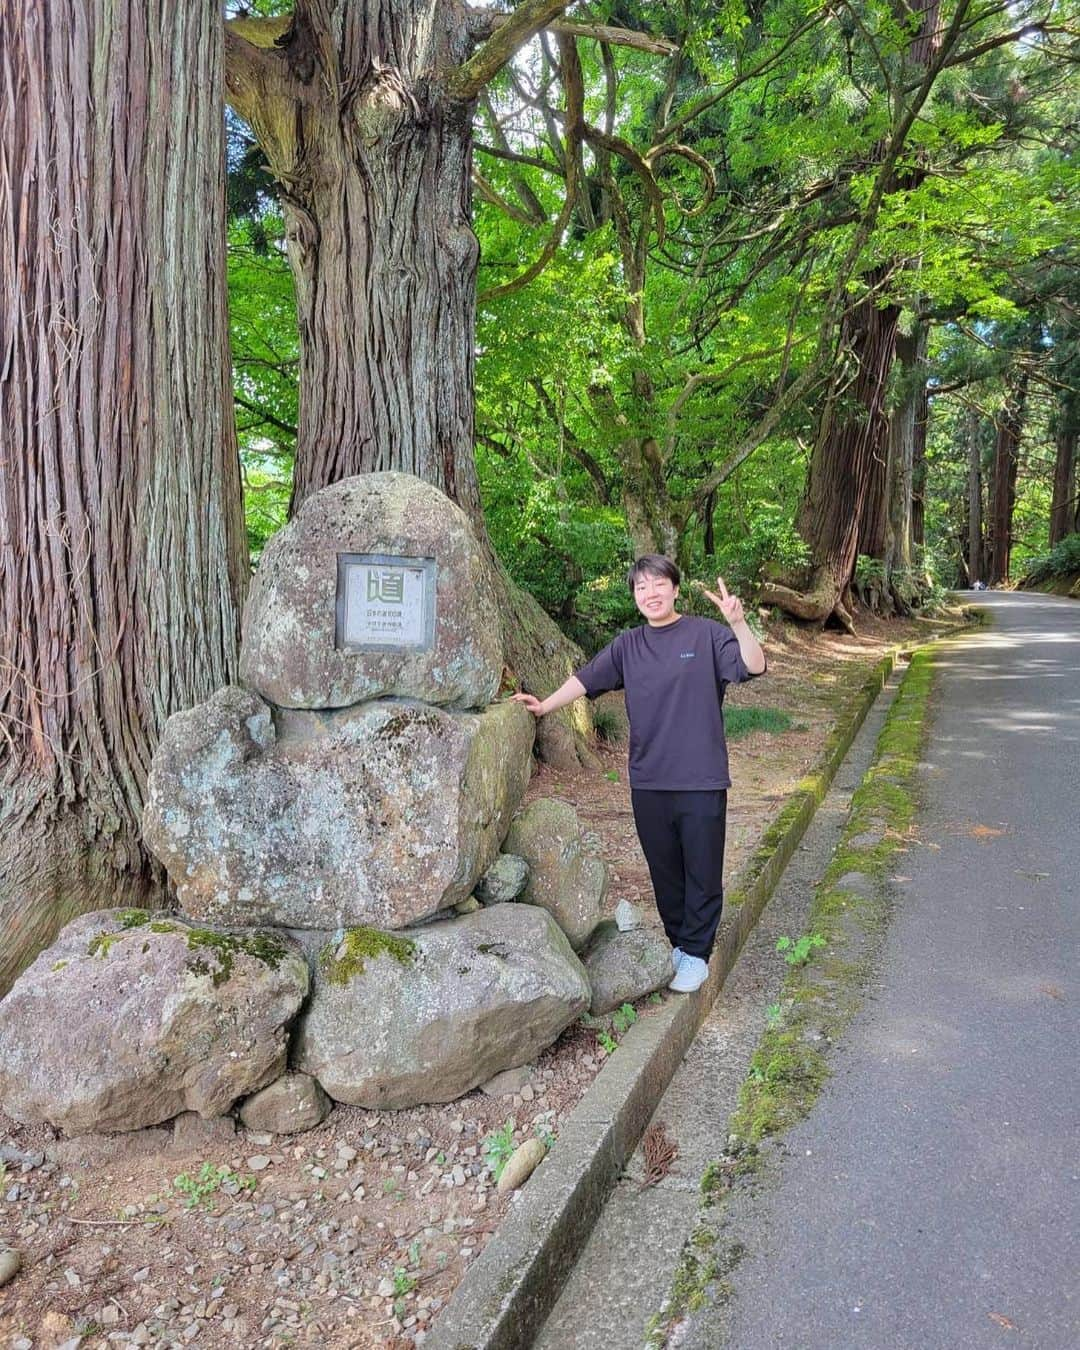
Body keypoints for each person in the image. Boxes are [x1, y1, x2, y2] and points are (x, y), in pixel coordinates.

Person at [512, 555, 766, 993]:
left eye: (658, 584)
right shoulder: (628, 645)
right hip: (648, 779)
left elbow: (754, 666)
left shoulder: (706, 635)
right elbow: (587, 679)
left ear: (675, 589)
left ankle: (697, 954)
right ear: (634, 596)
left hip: (701, 778)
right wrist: (545, 705)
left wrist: (739, 624)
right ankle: (680, 945)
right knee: (665, 870)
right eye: (640, 587)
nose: (650, 593)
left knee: (701, 870)